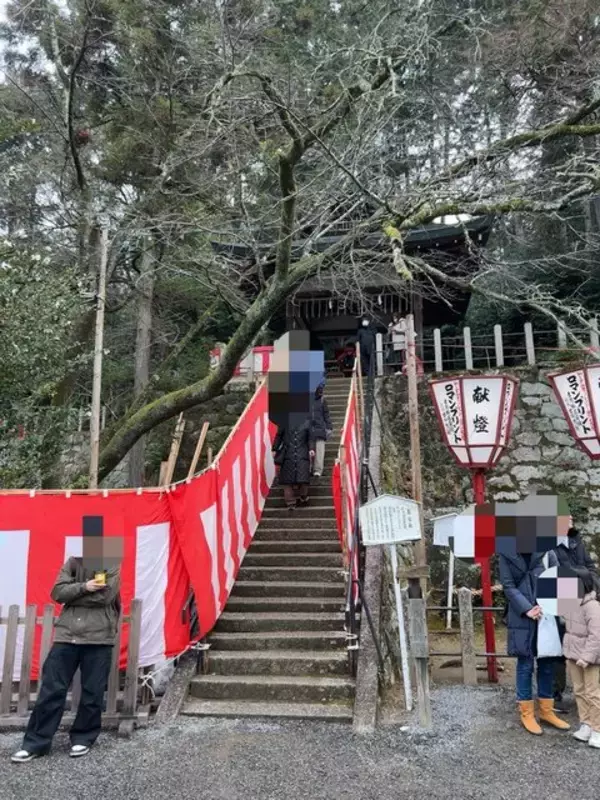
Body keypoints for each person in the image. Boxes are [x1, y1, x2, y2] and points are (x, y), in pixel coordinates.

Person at [12, 557, 121, 763]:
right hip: (66, 635)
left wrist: (72, 595)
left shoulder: (111, 563)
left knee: (93, 690)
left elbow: (105, 597)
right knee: (51, 689)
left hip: (99, 636)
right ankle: (35, 743)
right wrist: (84, 587)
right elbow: (57, 592)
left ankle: (84, 737)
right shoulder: (73, 563)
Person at [499, 547, 571, 735]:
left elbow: (559, 580)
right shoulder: (506, 553)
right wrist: (527, 608)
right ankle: (527, 713)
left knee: (547, 663)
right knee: (525, 664)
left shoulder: (548, 552)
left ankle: (546, 710)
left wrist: (551, 604)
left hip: (547, 614)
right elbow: (508, 585)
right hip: (522, 616)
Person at [553, 522, 599, 708]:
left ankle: (591, 697)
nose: (570, 520)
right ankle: (556, 693)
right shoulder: (546, 544)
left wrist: (588, 583)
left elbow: (591, 567)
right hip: (560, 597)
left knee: (589, 640)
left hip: (584, 596)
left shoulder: (575, 540)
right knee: (560, 648)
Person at [562, 568, 600, 748]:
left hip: (589, 658)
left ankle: (597, 729)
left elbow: (596, 635)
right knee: (579, 690)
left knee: (593, 693)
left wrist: (587, 657)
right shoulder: (570, 604)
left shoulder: (592, 606)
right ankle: (586, 723)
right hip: (573, 655)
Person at [273, 419, 316, 510]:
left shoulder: (307, 422)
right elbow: (279, 436)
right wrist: (274, 448)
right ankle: (291, 501)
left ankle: (301, 496)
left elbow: (311, 438)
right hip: (289, 454)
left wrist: (311, 448)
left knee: (303, 478)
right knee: (288, 481)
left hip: (301, 454)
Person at [310, 380, 332, 478]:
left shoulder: (322, 400)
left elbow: (326, 414)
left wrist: (329, 427)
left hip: (320, 428)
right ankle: (309, 468)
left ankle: (317, 470)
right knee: (308, 449)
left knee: (319, 450)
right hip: (308, 429)